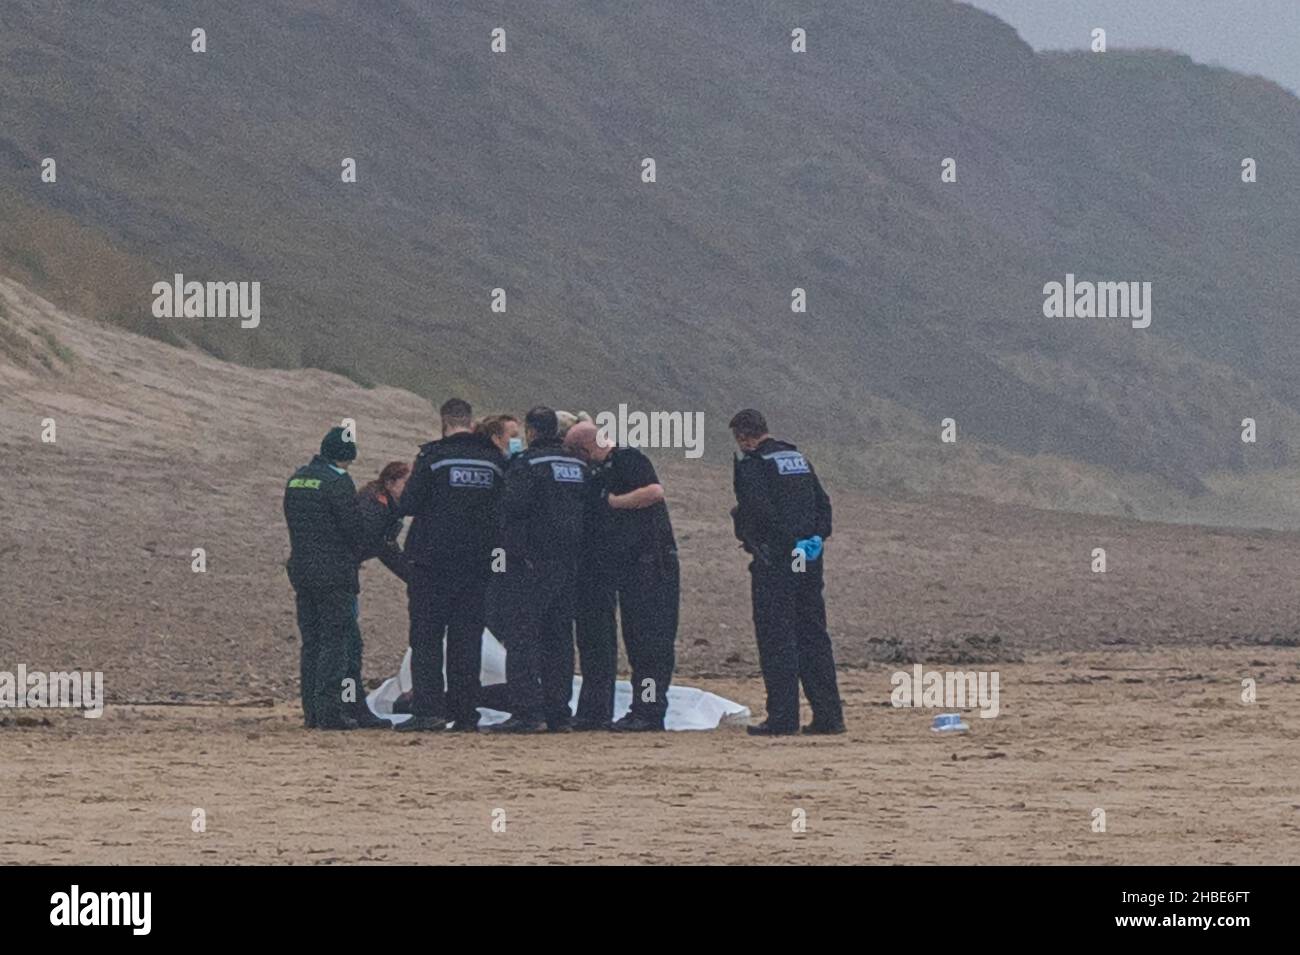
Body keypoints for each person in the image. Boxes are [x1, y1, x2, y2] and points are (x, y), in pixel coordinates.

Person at [729, 409, 845, 736]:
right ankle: (829, 716)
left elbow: (759, 512)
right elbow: (823, 505)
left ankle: (783, 717)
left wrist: (782, 544)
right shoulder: (797, 458)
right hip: (808, 559)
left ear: (744, 437)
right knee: (812, 635)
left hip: (777, 562)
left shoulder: (754, 464)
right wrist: (814, 538)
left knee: (777, 637)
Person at [396, 399, 506, 732]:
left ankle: (429, 711)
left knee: (427, 637)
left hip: (432, 563)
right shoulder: (494, 462)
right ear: (471, 424)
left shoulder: (432, 458)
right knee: (467, 639)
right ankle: (465, 712)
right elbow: (503, 510)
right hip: (476, 565)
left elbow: (409, 503)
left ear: (444, 422)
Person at [564, 421, 679, 732]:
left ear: (585, 449)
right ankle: (606, 710)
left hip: (651, 564)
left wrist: (615, 503)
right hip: (623, 566)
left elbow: (654, 491)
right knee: (620, 639)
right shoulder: (598, 473)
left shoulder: (628, 458)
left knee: (648, 644)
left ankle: (649, 711)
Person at [488, 406, 587, 733]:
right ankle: (559, 712)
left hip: (531, 565)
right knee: (559, 639)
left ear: (531, 432)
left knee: (523, 638)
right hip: (569, 563)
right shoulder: (578, 465)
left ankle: (528, 712)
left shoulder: (527, 465)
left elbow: (512, 508)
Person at [283, 426, 368, 730]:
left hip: (302, 571)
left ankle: (311, 712)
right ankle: (330, 711)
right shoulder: (338, 482)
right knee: (337, 641)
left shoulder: (296, 479)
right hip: (333, 574)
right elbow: (353, 529)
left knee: (312, 642)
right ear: (345, 456)